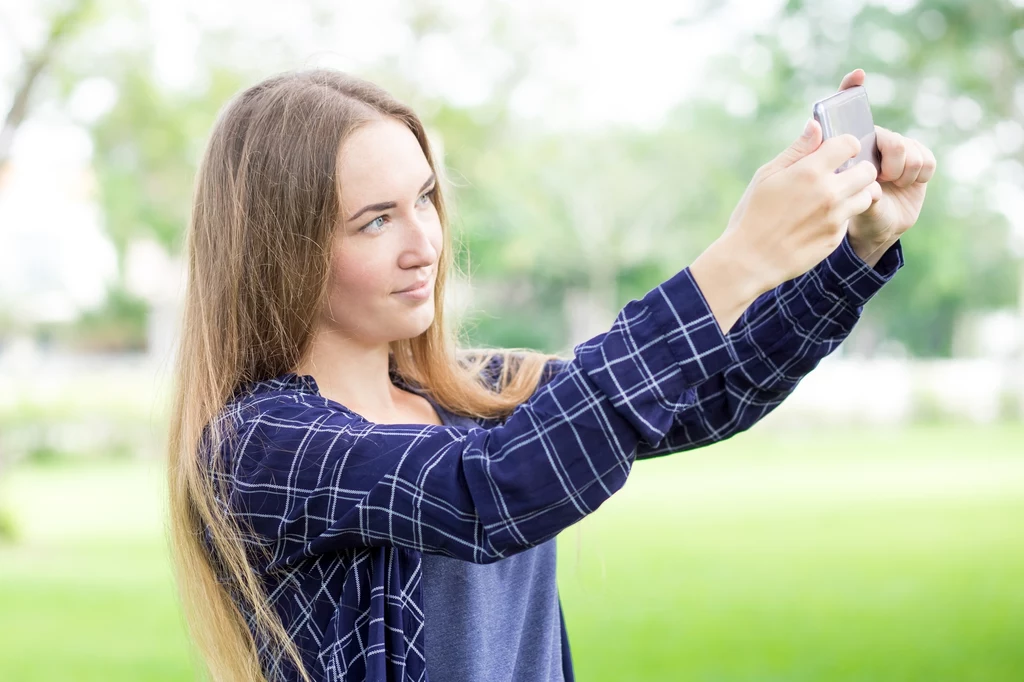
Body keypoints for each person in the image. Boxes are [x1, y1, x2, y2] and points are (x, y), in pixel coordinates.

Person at [166, 67, 934, 682]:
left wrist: (853, 252)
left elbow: (704, 393)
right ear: (282, 250)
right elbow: (491, 493)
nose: (423, 243)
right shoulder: (262, 445)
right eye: (375, 219)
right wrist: (737, 260)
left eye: (425, 199)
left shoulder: (474, 393)